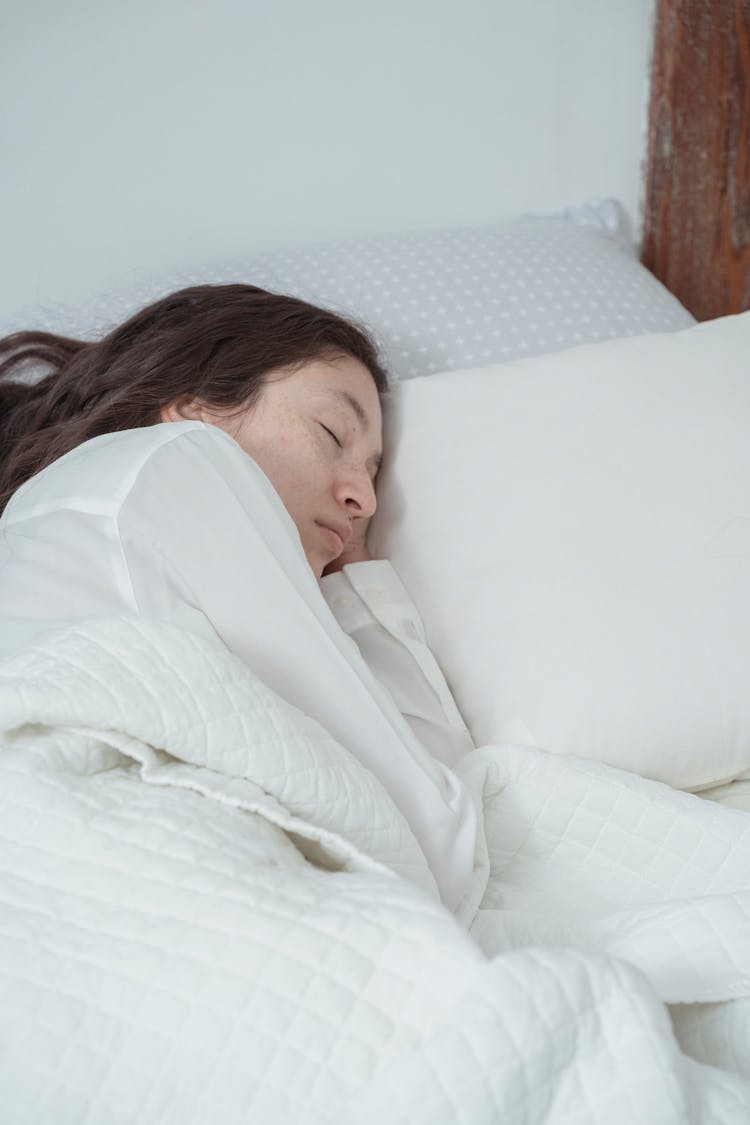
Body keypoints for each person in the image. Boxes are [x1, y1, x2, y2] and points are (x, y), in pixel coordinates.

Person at [0, 284, 481, 913]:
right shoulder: (178, 463)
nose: (363, 498)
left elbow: (436, 831)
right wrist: (357, 582)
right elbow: (436, 846)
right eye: (333, 433)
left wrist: (350, 571)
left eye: (371, 470)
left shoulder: (70, 525)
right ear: (196, 410)